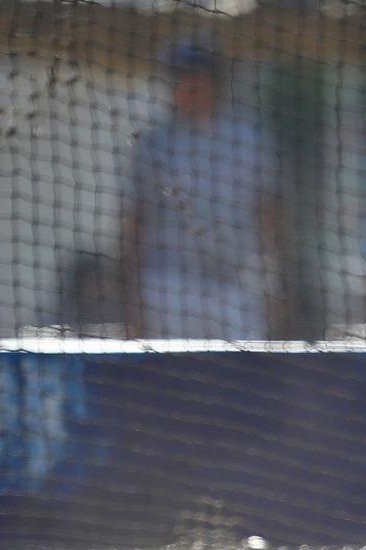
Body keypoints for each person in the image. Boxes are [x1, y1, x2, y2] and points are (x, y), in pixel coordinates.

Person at [120, 41, 287, 339]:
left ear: (215, 82)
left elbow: (269, 217)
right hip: (166, 285)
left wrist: (273, 287)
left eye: (199, 76)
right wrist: (131, 301)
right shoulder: (154, 143)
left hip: (237, 286)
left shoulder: (248, 138)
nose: (191, 86)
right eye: (182, 77)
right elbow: (135, 223)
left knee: (242, 378)